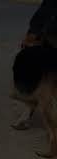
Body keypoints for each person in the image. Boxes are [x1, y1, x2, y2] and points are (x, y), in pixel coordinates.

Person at [11, 0, 57, 130]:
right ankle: (27, 114)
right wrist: (33, 31)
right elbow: (47, 7)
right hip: (50, 37)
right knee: (41, 77)